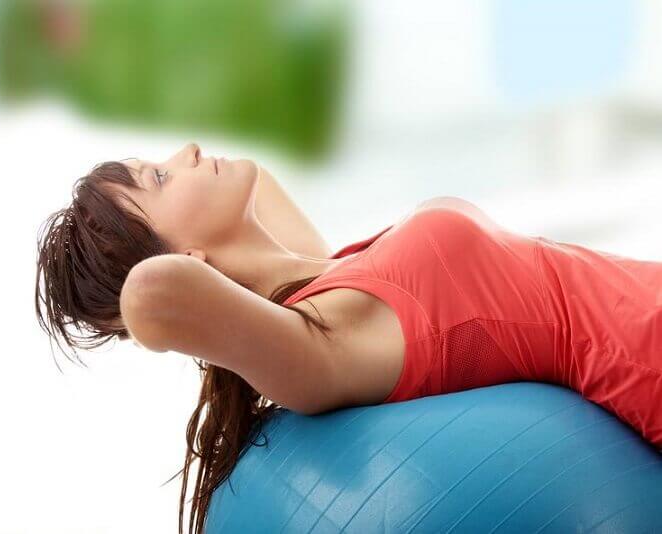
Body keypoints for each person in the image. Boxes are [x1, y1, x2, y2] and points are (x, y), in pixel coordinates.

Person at [35, 143, 662, 534]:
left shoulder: (323, 272)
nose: (188, 150)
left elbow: (260, 188)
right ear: (188, 262)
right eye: (160, 179)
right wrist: (121, 284)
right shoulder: (326, 340)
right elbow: (151, 294)